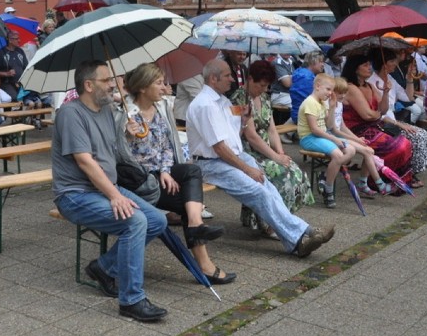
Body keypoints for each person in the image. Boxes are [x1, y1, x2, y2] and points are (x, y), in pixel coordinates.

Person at [52, 60, 168, 322]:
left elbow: (112, 153)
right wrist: (115, 196)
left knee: (157, 220)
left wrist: (127, 135)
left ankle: (103, 267)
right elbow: (85, 161)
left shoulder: (106, 111)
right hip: (75, 194)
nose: (114, 84)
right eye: (106, 80)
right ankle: (131, 300)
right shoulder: (70, 114)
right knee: (136, 222)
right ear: (89, 85)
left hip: (104, 188)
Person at [187, 59, 335, 258]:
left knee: (269, 188)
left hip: (232, 156)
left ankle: (299, 238)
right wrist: (248, 169)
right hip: (212, 163)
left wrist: (244, 120)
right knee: (259, 192)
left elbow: (233, 136)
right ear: (213, 79)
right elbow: (219, 147)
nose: (232, 79)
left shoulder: (222, 101)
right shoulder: (205, 105)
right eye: (227, 76)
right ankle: (303, 235)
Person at [119, 63, 233, 284]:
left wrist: (164, 171)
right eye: (159, 83)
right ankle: (204, 262)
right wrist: (126, 137)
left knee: (191, 171)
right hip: (138, 180)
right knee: (186, 203)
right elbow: (120, 158)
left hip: (159, 175)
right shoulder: (124, 114)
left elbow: (167, 147)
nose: (164, 88)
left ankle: (194, 226)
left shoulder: (160, 110)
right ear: (143, 87)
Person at [231, 60, 314, 231]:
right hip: (248, 152)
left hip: (266, 149)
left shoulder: (264, 97)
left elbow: (272, 129)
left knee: (296, 172)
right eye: (261, 85)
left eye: (267, 86)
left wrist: (281, 152)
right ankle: (272, 223)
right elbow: (251, 136)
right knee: (283, 176)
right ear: (250, 79)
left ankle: (282, 217)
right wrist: (276, 157)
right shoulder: (239, 99)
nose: (263, 89)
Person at [340, 53, 414, 178]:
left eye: (370, 64)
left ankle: (397, 178)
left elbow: (383, 110)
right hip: (357, 132)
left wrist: (385, 93)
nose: (370, 67)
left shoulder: (369, 85)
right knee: (399, 147)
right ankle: (382, 179)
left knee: (406, 143)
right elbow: (367, 115)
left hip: (373, 128)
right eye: (365, 65)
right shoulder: (351, 88)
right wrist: (378, 114)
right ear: (355, 68)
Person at [368, 49, 427, 185]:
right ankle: (405, 175)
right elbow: (378, 112)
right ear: (384, 64)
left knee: (422, 133)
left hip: (392, 121)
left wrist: (409, 80)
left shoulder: (390, 79)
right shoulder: (372, 82)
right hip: (381, 123)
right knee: (415, 136)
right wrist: (399, 124)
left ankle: (411, 172)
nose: (395, 64)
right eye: (392, 61)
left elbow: (408, 98)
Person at [297, 74, 356, 207]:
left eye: (331, 90)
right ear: (318, 86)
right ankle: (328, 190)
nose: (330, 93)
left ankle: (324, 176)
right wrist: (334, 139)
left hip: (321, 136)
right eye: (328, 89)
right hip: (309, 138)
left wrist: (332, 106)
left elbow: (328, 126)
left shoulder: (323, 102)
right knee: (338, 154)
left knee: (351, 150)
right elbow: (314, 129)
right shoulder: (310, 102)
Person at [0, 31, 43, 109]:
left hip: (20, 83)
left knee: (33, 97)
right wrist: (6, 74)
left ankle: (25, 117)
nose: (19, 41)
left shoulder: (20, 51)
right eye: (16, 39)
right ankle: (12, 116)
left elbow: (26, 67)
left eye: (19, 38)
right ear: (10, 40)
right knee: (15, 98)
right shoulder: (1, 53)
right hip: (7, 83)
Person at [289, 50, 325, 124]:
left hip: (300, 113)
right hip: (304, 115)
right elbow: (313, 99)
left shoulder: (301, 72)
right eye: (320, 61)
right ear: (312, 62)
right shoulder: (306, 78)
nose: (323, 64)